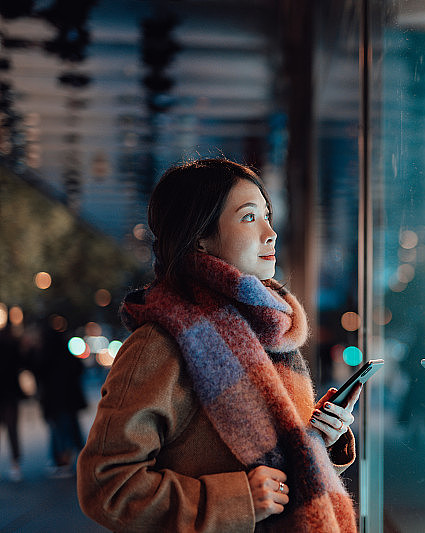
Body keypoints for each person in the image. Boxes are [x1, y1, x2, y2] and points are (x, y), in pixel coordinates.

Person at [77, 158, 359, 532]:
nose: (270, 232)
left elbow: (279, 476)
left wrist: (319, 439)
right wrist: (237, 500)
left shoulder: (267, 334)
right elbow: (107, 486)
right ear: (200, 237)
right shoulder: (161, 344)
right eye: (248, 217)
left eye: (267, 215)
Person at [33, 324, 87, 477]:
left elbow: (37, 370)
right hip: (69, 399)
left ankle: (63, 461)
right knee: (70, 429)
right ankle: (77, 458)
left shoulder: (45, 355)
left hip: (54, 400)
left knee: (59, 430)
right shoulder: (65, 352)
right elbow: (78, 369)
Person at [0, 327, 25, 482]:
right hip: (10, 394)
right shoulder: (12, 345)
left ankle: (15, 464)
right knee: (12, 429)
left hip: (7, 393)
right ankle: (15, 464)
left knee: (11, 429)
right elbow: (22, 365)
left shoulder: (11, 345)